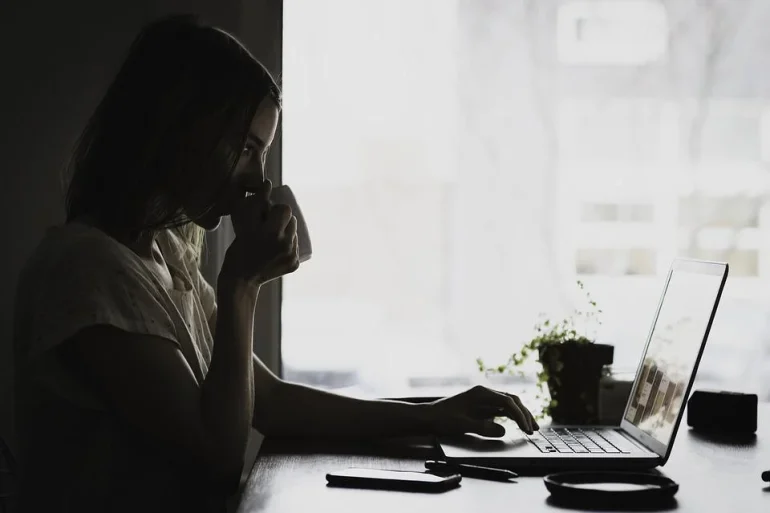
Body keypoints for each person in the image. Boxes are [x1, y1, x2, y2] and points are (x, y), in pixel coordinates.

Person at [12, 14, 538, 513]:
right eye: (245, 148)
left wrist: (432, 415)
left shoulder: (164, 255)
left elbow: (269, 400)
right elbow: (216, 453)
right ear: (178, 128)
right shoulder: (87, 270)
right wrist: (241, 283)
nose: (259, 179)